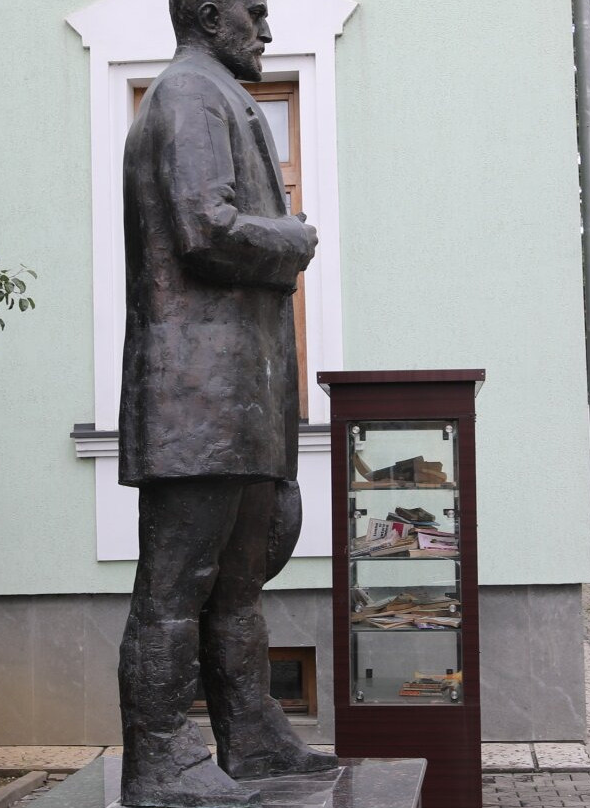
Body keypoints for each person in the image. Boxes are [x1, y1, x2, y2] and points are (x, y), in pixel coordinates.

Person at [117, 1, 337, 805]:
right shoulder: (187, 96)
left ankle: (249, 734)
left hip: (239, 395)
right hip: (192, 397)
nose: (267, 33)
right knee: (175, 587)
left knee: (240, 582)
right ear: (210, 17)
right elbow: (204, 230)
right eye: (255, 14)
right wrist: (293, 237)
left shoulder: (219, 93)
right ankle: (160, 761)